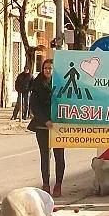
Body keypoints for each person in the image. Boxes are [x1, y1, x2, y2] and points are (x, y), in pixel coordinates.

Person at [27, 58, 65, 197]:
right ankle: (46, 184)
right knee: (45, 156)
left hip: (58, 126)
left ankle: (59, 184)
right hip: (42, 126)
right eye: (45, 68)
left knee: (59, 156)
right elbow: (34, 107)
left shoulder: (61, 84)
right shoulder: (37, 85)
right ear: (42, 70)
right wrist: (45, 121)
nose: (48, 70)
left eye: (50, 68)